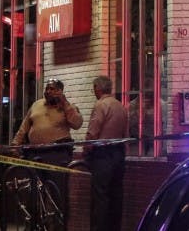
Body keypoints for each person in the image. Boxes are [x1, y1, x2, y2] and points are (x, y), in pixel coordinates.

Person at [85, 76, 128, 231]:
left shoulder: (100, 105)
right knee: (116, 194)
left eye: (94, 88)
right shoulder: (121, 106)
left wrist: (86, 149)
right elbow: (125, 133)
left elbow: (93, 131)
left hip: (102, 155)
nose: (94, 91)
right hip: (119, 154)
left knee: (100, 196)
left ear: (98, 87)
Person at [11, 79, 84, 167]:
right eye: (46, 89)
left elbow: (77, 124)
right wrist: (15, 144)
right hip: (35, 152)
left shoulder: (68, 107)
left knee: (55, 179)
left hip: (57, 152)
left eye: (52, 89)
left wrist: (64, 103)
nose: (48, 91)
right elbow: (24, 127)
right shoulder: (36, 104)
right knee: (36, 179)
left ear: (60, 91)